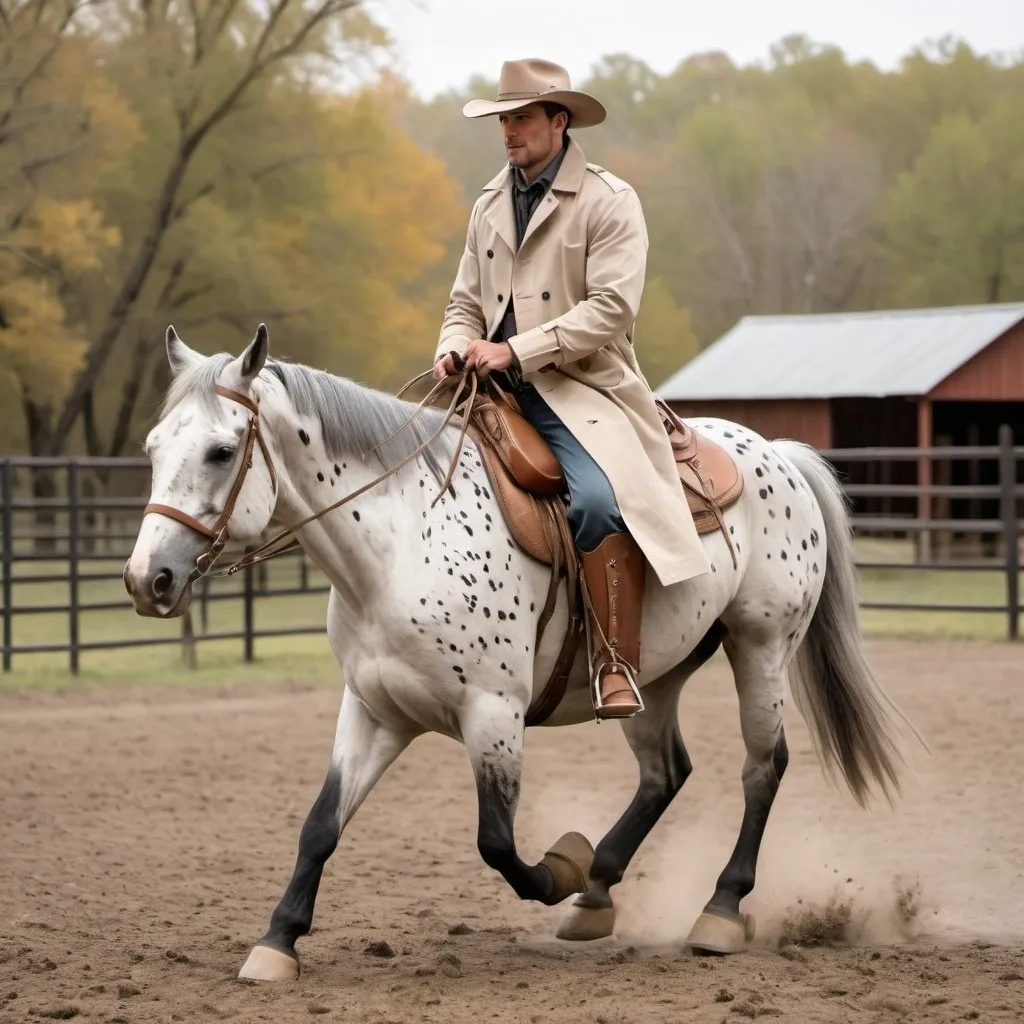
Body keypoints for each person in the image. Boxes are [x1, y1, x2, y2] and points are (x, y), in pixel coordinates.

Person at [433, 57, 710, 719]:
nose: (509, 131)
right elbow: (463, 302)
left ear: (560, 121)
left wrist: (514, 351)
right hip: (486, 385)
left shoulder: (609, 201)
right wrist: (450, 348)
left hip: (580, 389)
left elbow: (611, 310)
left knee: (594, 500)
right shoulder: (489, 202)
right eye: (503, 119)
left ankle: (613, 662)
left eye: (522, 118)